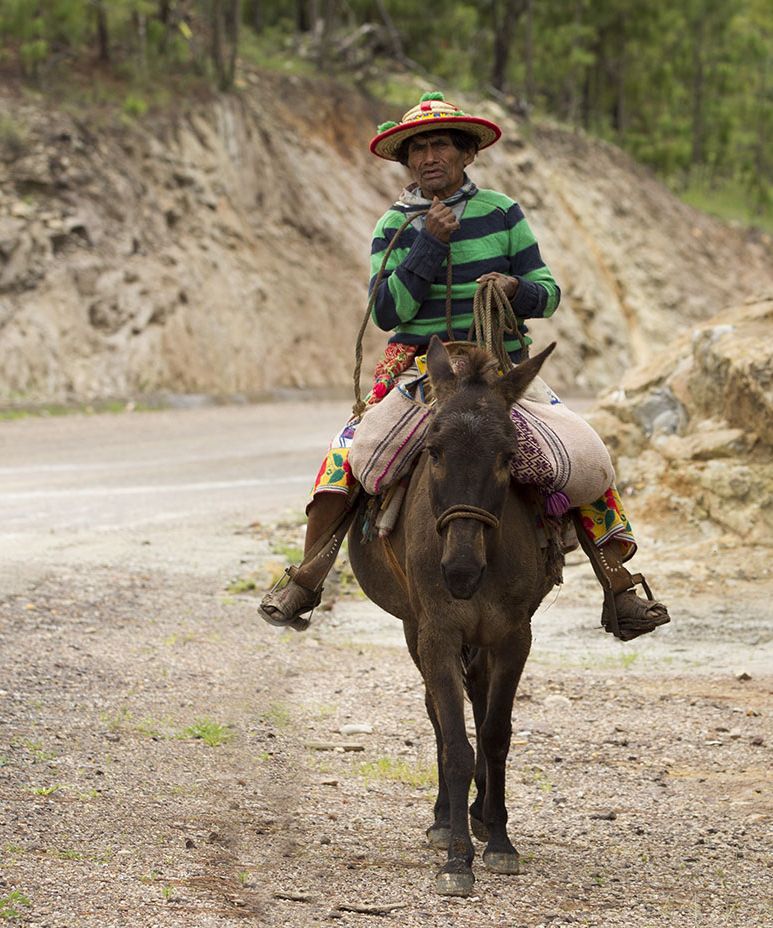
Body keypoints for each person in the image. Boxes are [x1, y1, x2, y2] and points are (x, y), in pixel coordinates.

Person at [258, 92, 669, 641]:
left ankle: (620, 586)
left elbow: (547, 293)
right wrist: (428, 243)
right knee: (349, 455)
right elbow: (387, 312)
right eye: (419, 148)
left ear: (466, 153)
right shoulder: (393, 226)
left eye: (441, 146)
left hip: (503, 373)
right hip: (421, 376)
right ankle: (307, 576)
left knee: (586, 455)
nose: (429, 157)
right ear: (407, 160)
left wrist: (514, 288)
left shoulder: (503, 213)